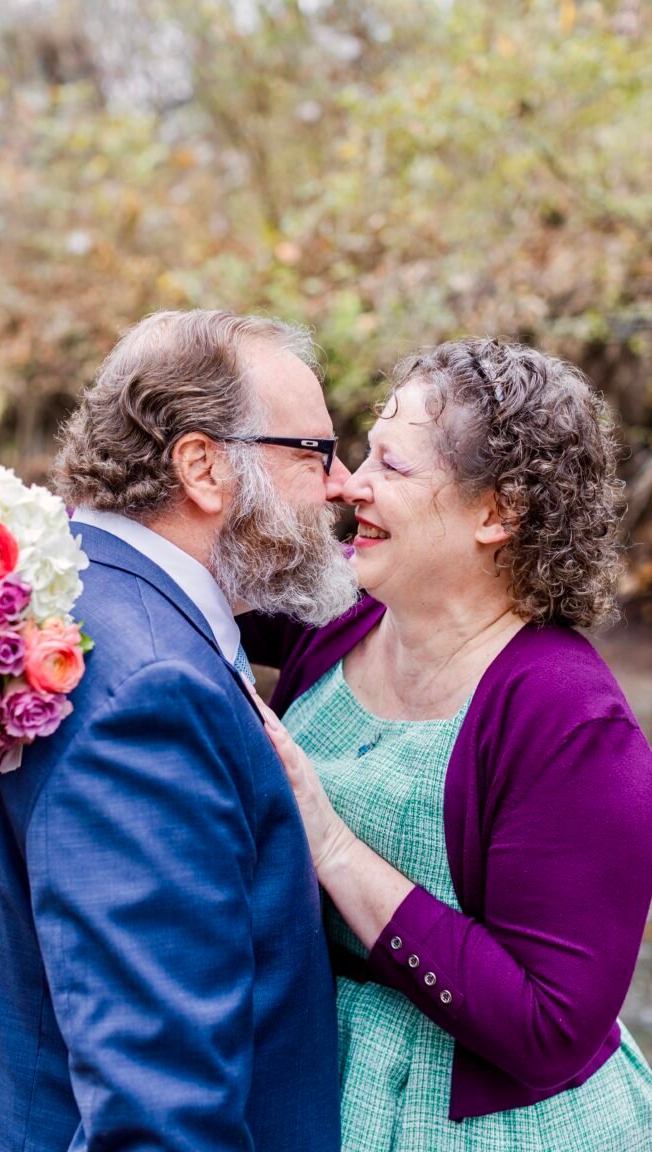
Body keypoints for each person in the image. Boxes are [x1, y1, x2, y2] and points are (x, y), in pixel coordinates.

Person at [0, 309, 359, 1152]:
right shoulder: (151, 693)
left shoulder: (42, 599)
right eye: (315, 453)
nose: (342, 484)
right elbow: (157, 1117)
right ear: (202, 466)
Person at [241, 338, 652, 1151]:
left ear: (497, 513)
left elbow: (551, 1029)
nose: (350, 483)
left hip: (490, 1128)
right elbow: (173, 568)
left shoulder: (572, 723)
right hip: (316, 1080)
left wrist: (332, 845)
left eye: (390, 467)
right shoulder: (342, 615)